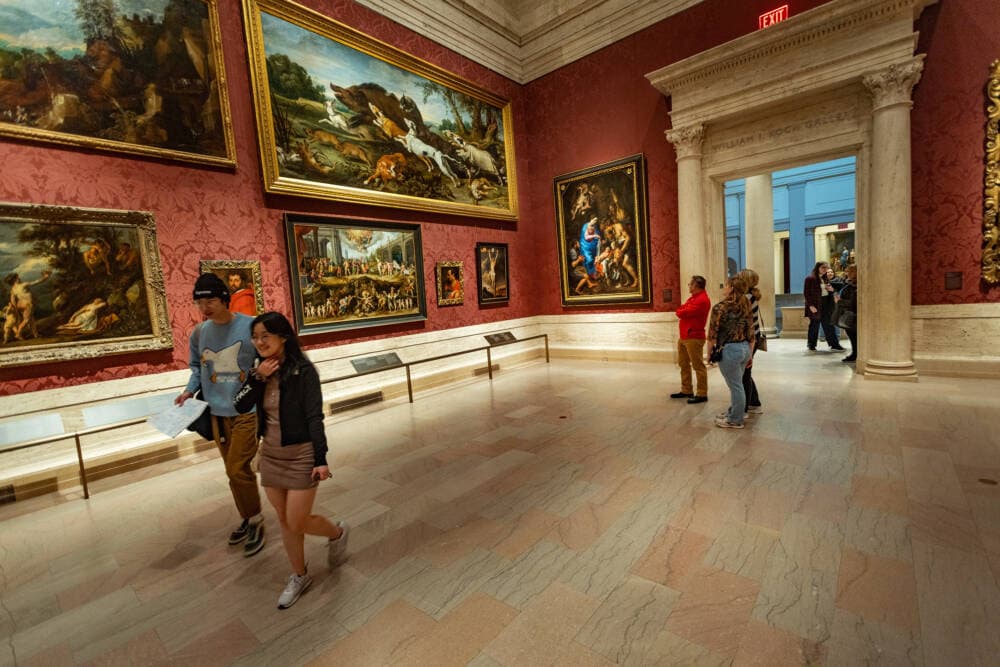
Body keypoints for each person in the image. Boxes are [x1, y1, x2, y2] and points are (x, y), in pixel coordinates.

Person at [234, 312, 349, 609]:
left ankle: (337, 533)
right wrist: (258, 378)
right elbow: (240, 403)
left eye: (265, 336)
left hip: (301, 455)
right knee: (285, 521)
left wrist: (320, 458)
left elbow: (314, 416)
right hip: (270, 454)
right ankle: (299, 575)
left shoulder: (303, 371)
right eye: (255, 337)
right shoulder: (257, 370)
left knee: (297, 520)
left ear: (282, 337)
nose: (259, 342)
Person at [175, 273, 265, 557]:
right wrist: (189, 391)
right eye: (200, 302)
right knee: (232, 471)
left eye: (211, 300)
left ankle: (256, 519)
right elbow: (195, 368)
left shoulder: (250, 326)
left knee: (237, 468)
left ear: (225, 299)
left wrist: (263, 372)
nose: (205, 307)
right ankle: (248, 515)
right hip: (216, 411)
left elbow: (268, 356)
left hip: (245, 410)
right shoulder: (200, 333)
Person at [707, 276, 755, 429]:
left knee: (735, 386)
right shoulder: (746, 305)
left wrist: (709, 354)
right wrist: (750, 354)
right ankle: (733, 412)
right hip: (745, 348)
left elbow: (712, 335)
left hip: (729, 350)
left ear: (732, 288)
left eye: (726, 285)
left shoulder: (719, 308)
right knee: (737, 384)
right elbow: (751, 333)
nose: (724, 288)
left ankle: (735, 419)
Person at [670, 275, 711, 404]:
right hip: (684, 336)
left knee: (698, 366)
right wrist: (682, 309)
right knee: (683, 364)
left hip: (694, 336)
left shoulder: (702, 300)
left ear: (696, 286)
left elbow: (681, 312)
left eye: (690, 284)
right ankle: (686, 389)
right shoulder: (693, 298)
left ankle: (702, 393)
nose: (689, 286)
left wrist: (682, 310)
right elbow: (681, 310)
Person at [736, 269, 764, 416]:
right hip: (753, 336)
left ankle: (744, 407)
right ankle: (754, 402)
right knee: (746, 371)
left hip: (749, 338)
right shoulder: (750, 296)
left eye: (739, 276)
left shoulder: (746, 297)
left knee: (744, 373)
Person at [803, 261, 845, 352]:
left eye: (826, 268)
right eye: (823, 267)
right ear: (817, 268)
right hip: (816, 304)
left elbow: (831, 291)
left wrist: (831, 289)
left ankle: (834, 344)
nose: (825, 269)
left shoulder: (826, 279)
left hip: (826, 304)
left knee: (829, 325)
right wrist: (810, 306)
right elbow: (806, 293)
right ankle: (811, 344)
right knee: (814, 325)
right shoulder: (810, 279)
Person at [4, 270, 51, 340]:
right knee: (26, 320)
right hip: (27, 304)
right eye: (17, 278)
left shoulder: (13, 289)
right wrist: (45, 277)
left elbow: (12, 300)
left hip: (20, 305)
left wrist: (16, 309)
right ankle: (18, 334)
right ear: (14, 280)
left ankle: (36, 334)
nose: (19, 279)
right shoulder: (23, 285)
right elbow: (36, 282)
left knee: (31, 320)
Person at [838, 264, 858, 362]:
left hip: (854, 314)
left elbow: (853, 302)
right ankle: (855, 353)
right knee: (852, 336)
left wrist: (839, 301)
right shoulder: (849, 283)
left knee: (855, 336)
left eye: (849, 271)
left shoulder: (855, 285)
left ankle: (855, 354)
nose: (847, 273)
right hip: (849, 313)